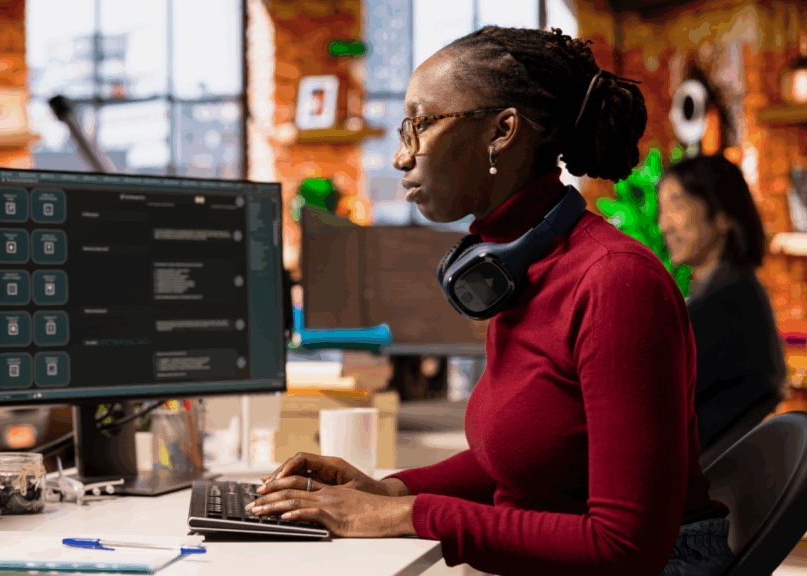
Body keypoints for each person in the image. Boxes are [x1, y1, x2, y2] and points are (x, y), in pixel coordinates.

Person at [246, 26, 734, 576]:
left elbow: (624, 546)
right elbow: (521, 461)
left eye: (420, 125)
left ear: (502, 131)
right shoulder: (517, 265)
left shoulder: (615, 283)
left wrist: (409, 513)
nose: (402, 157)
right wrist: (383, 490)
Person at [658, 155, 787, 453]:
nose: (665, 224)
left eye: (677, 205)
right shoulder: (733, 291)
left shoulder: (729, 304)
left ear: (722, 216)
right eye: (663, 209)